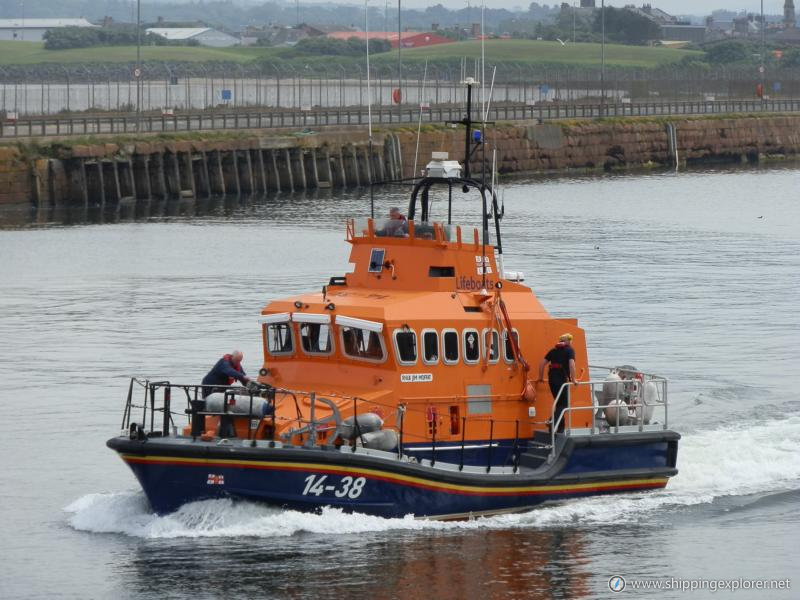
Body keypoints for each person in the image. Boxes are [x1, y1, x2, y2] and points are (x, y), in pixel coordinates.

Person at [538, 334, 577, 433]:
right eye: (570, 340)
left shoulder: (553, 351)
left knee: (559, 403)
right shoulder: (569, 351)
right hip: (561, 381)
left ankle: (559, 428)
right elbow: (572, 365)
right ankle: (552, 420)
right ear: (568, 341)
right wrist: (574, 379)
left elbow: (542, 364)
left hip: (552, 381)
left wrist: (541, 378)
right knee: (564, 404)